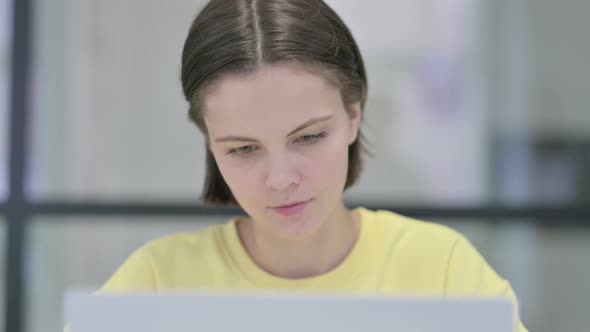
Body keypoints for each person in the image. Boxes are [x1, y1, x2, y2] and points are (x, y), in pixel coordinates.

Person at [100, 0, 528, 331]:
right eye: (244, 149)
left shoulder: (442, 271)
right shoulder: (156, 283)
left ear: (354, 116)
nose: (282, 179)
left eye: (308, 137)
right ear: (211, 144)